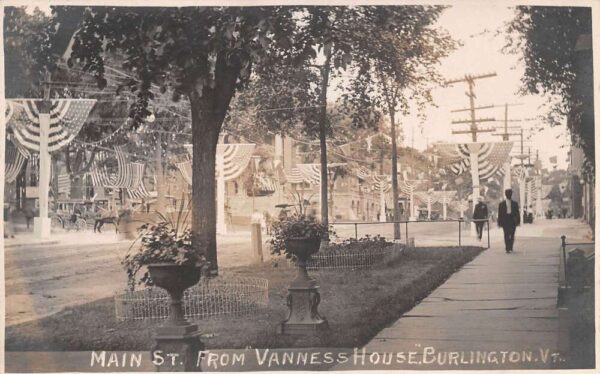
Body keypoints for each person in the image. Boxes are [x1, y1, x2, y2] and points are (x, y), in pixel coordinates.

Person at [498, 189, 520, 253]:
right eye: (508, 194)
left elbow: (517, 213)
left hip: (512, 220)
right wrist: (499, 223)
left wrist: (518, 221)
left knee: (512, 234)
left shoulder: (515, 204)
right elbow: (500, 214)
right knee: (506, 234)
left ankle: (511, 246)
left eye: (510, 193)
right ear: (506, 194)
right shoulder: (501, 204)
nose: (509, 195)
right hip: (505, 220)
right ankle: (507, 248)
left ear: (511, 194)